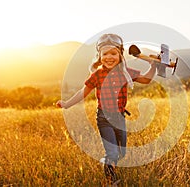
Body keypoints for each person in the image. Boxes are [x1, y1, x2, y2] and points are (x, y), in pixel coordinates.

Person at [56, 33, 156, 184]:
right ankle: (111, 181)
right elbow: (82, 92)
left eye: (113, 53)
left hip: (120, 117)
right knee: (112, 152)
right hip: (104, 118)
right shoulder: (97, 75)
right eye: (105, 54)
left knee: (121, 153)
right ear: (99, 56)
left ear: (120, 55)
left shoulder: (125, 72)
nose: (109, 57)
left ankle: (109, 163)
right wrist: (67, 104)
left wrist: (154, 65)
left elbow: (146, 79)